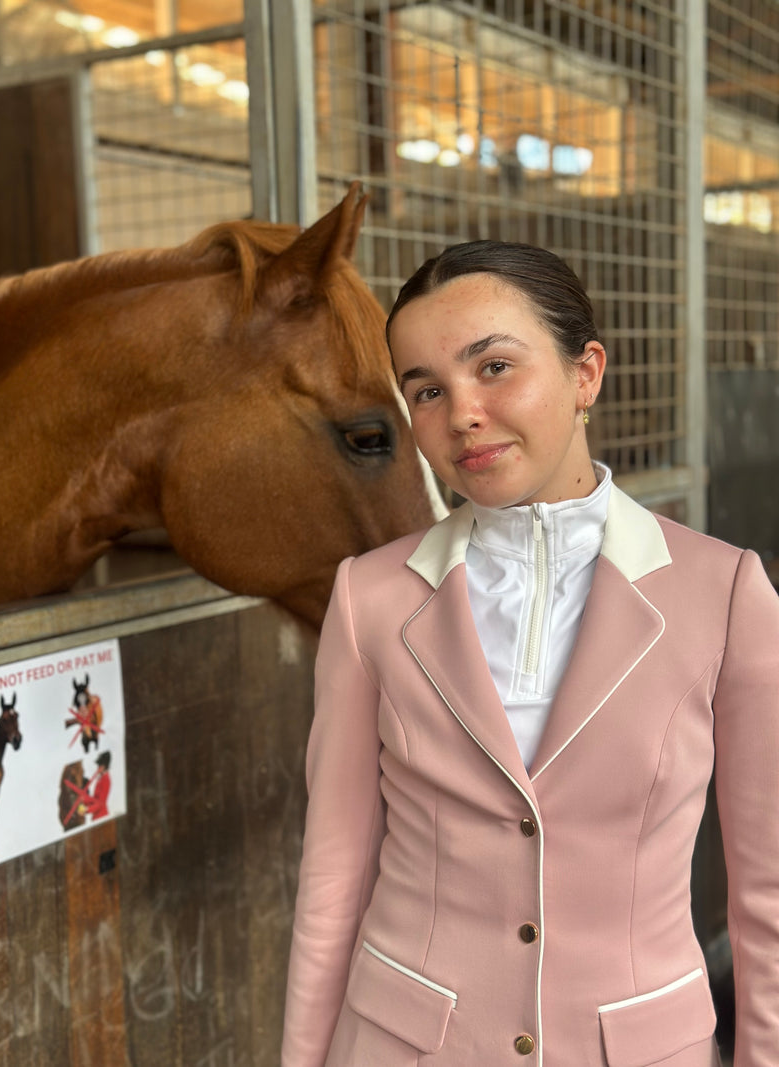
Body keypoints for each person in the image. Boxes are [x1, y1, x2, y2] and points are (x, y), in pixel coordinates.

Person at [281, 241, 779, 1066]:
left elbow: (766, 892)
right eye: (427, 391)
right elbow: (332, 877)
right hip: (402, 1044)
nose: (462, 413)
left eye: (496, 367)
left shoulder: (726, 594)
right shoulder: (368, 598)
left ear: (586, 373)